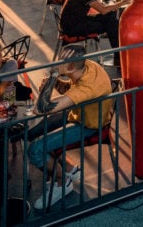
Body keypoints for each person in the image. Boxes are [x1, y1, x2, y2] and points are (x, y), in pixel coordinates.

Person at [29, 46, 113, 209]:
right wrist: (58, 80)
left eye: (60, 62)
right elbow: (70, 91)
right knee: (36, 132)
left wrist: (54, 75)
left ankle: (63, 182)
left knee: (35, 149)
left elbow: (40, 109)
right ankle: (69, 168)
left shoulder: (86, 88)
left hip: (88, 125)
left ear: (70, 67)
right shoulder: (88, 65)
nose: (56, 63)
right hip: (78, 114)